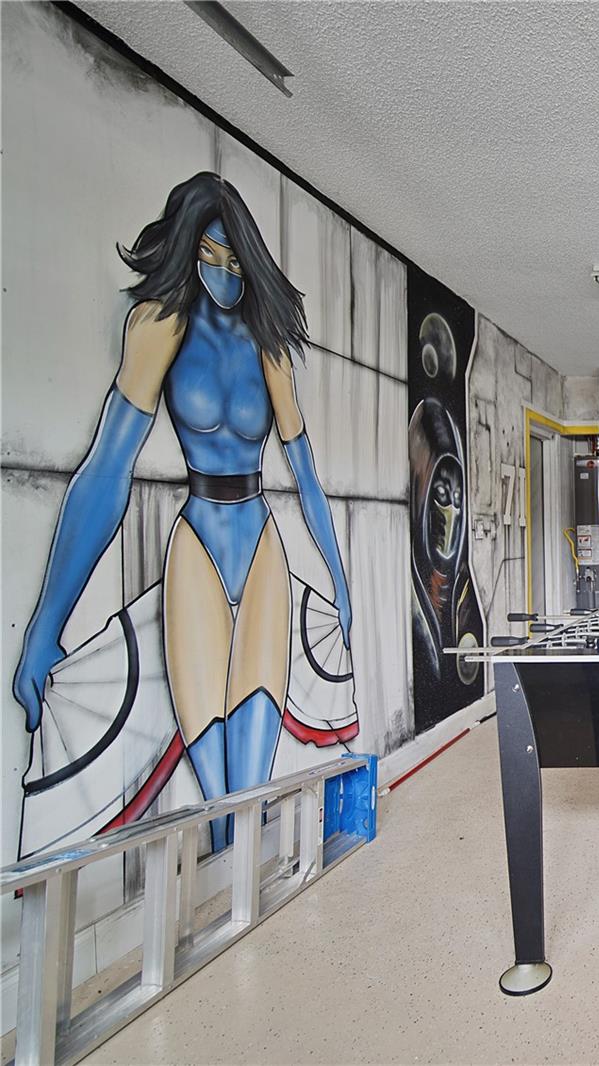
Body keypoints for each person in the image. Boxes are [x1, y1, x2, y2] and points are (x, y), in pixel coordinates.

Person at [11, 172, 353, 851]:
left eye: (235, 260)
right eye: (208, 254)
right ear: (187, 250)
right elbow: (106, 470)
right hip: (197, 546)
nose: (224, 274)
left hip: (260, 545)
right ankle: (229, 900)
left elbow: (306, 474)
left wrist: (341, 584)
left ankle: (251, 898)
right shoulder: (160, 326)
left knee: (249, 784)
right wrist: (46, 624)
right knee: (218, 794)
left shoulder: (267, 345)